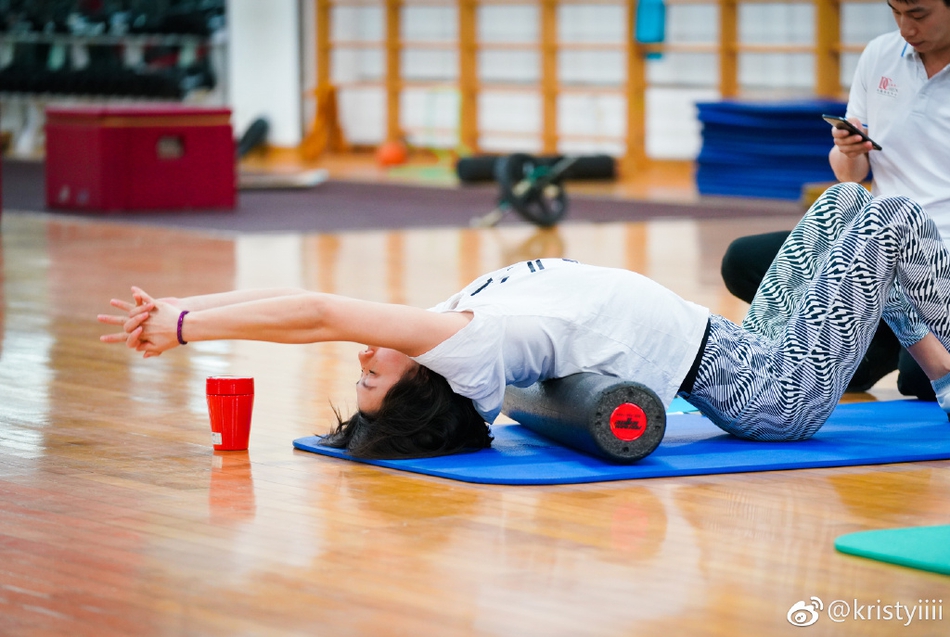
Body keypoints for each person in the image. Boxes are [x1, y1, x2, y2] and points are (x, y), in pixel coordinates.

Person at [100, 185, 950, 460]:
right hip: (770, 389)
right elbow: (319, 312)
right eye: (370, 371)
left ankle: (938, 369)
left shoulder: (446, 325)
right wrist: (180, 331)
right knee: (886, 222)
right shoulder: (473, 352)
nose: (364, 349)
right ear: (422, 382)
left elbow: (309, 304)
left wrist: (186, 310)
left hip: (745, 346)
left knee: (849, 202)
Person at [721, 0, 950, 398]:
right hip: (878, 248)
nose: (904, 27)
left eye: (917, 14)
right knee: (742, 260)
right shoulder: (880, 54)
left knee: (919, 381)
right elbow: (850, 177)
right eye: (895, 12)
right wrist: (849, 150)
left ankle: (887, 337)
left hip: (937, 262)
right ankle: (876, 339)